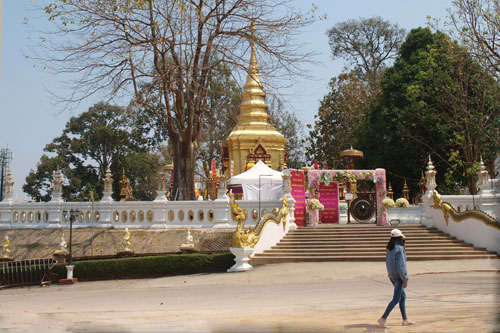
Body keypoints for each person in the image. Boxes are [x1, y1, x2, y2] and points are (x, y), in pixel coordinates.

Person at [377, 229, 416, 328]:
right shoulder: (399, 249)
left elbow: (388, 263)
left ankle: (405, 319)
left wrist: (391, 275)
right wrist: (405, 279)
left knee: (402, 297)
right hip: (398, 277)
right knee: (396, 299)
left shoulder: (389, 248)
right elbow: (401, 266)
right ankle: (383, 318)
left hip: (392, 276)